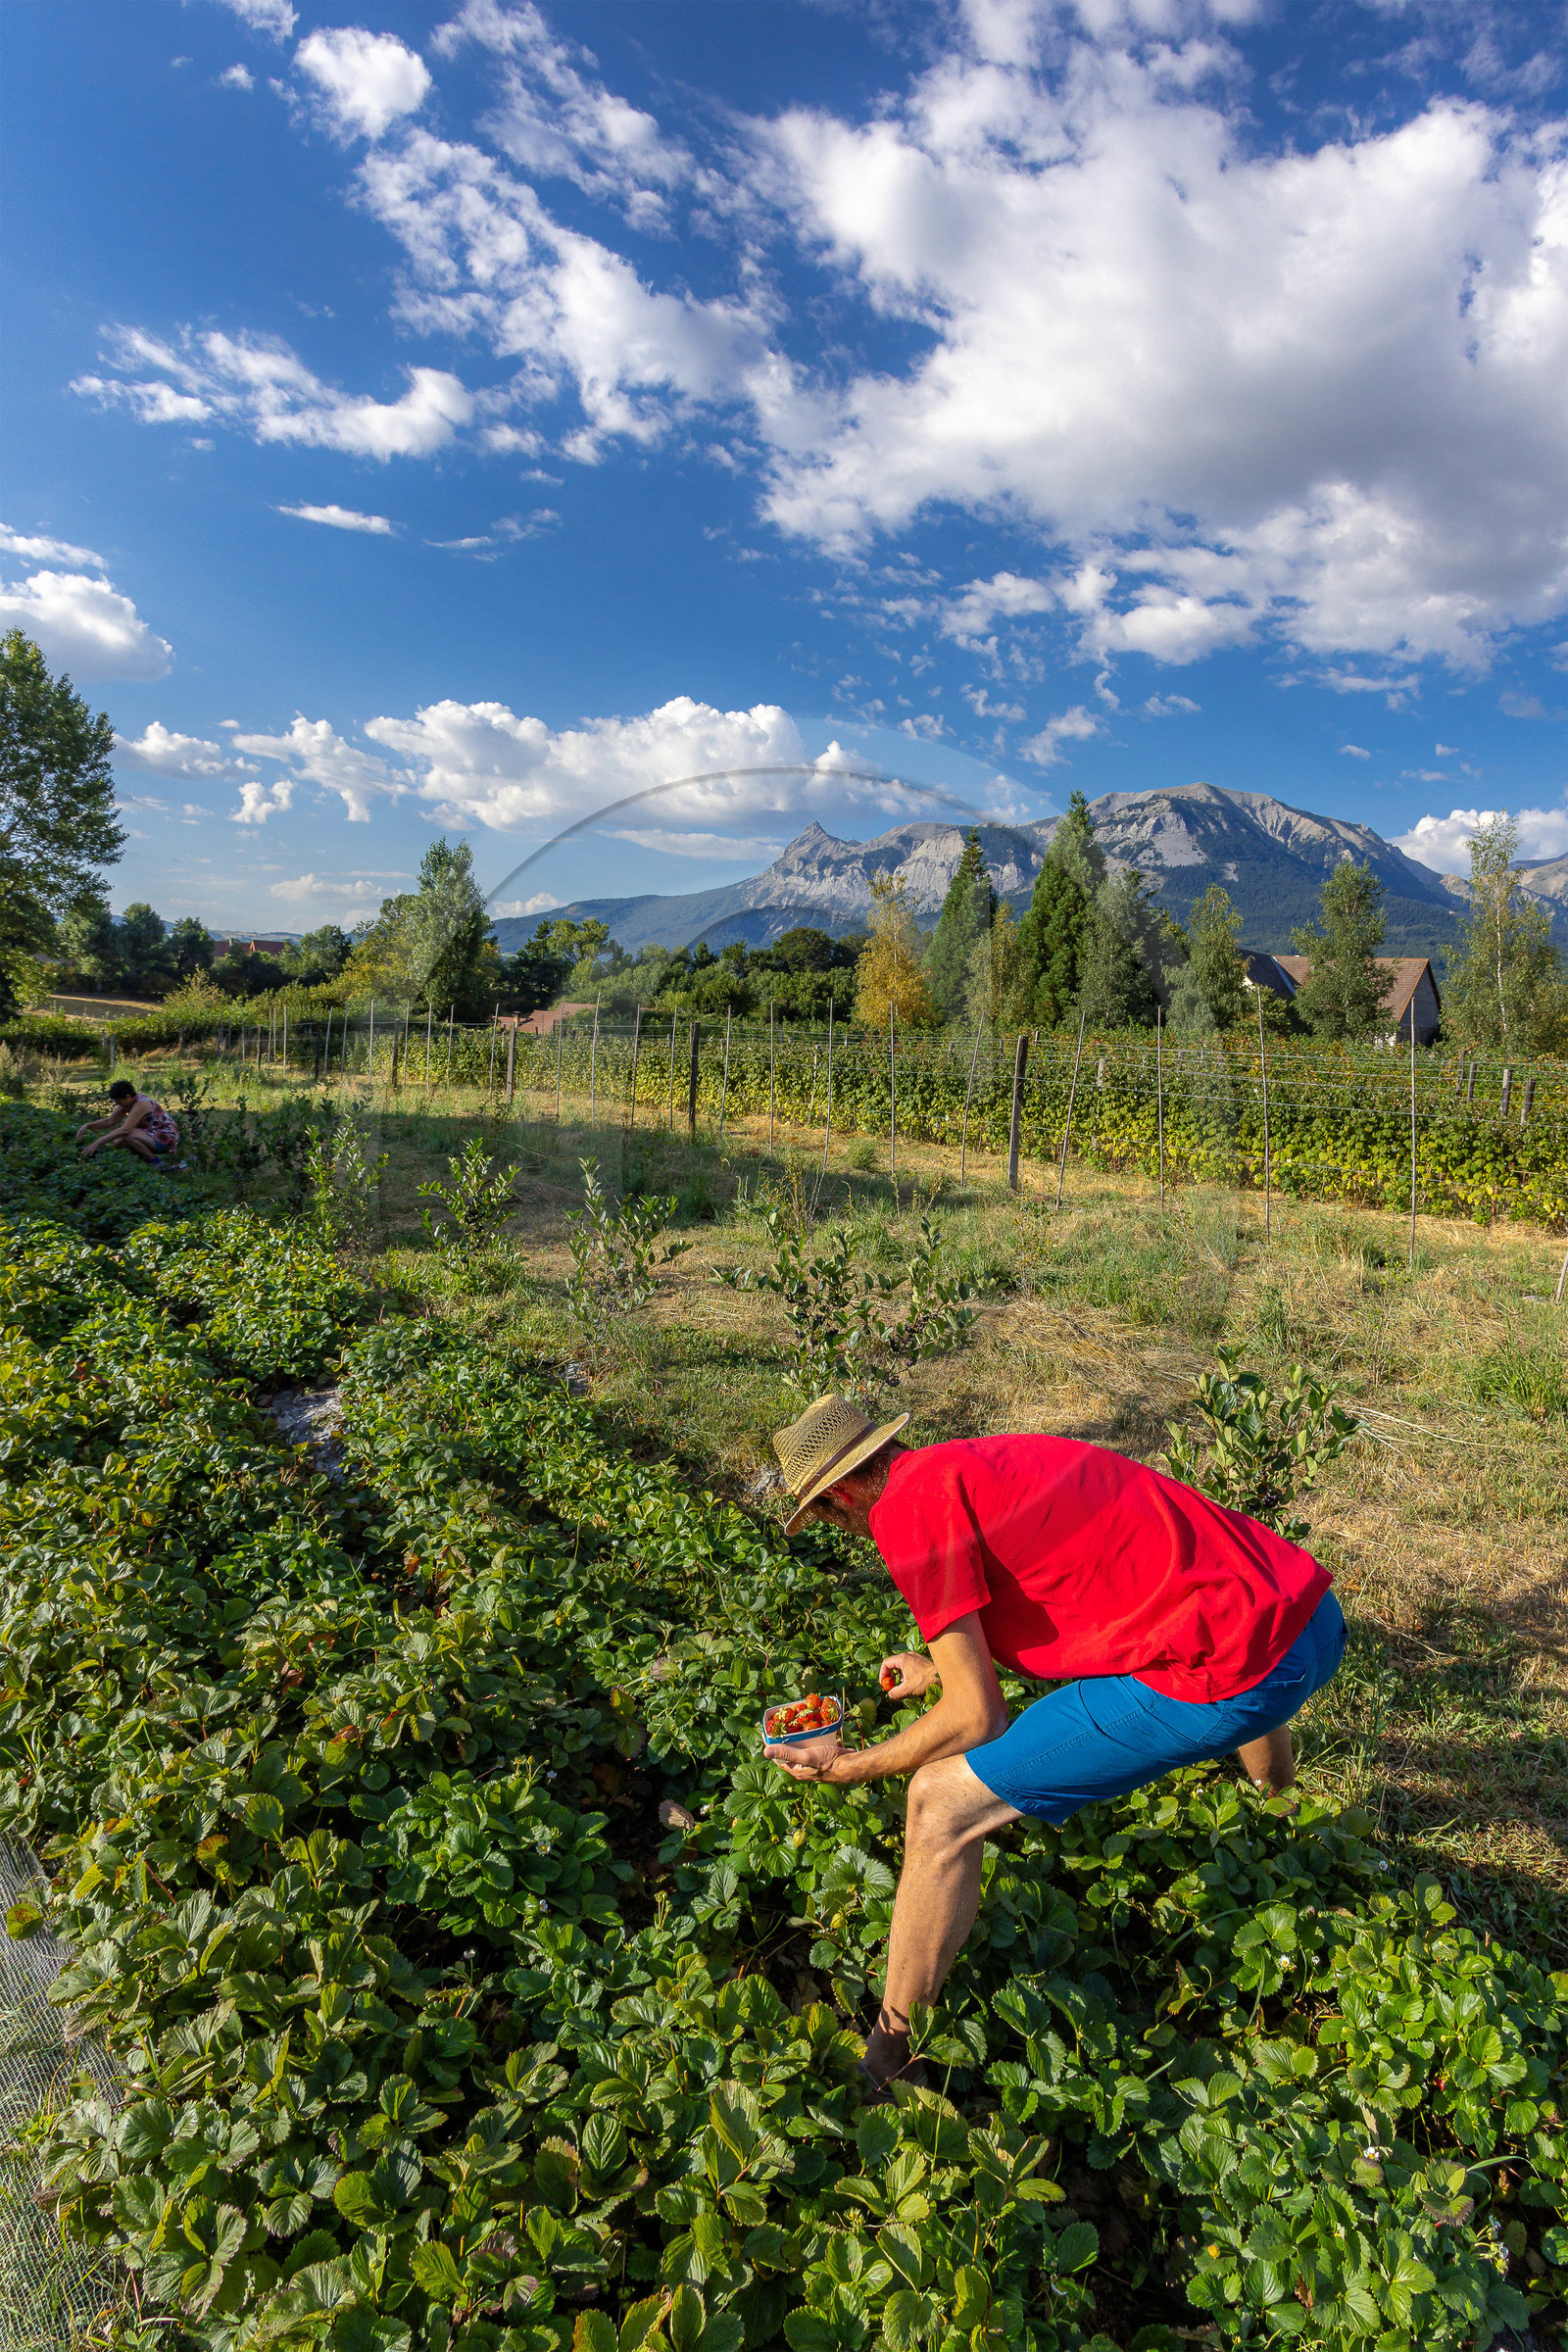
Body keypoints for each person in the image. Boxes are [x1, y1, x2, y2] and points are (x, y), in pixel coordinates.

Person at [765, 1394, 1345, 2089]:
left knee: (939, 1802)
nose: (840, 1528)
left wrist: (851, 1767)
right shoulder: (975, 1463)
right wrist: (941, 1668)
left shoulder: (905, 1515)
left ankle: (889, 2058)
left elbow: (978, 1718)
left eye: (827, 1515)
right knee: (1223, 1629)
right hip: (1306, 1615)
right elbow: (1071, 1586)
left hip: (1245, 1680)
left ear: (843, 1493)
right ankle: (1279, 1816)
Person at [76, 1078, 180, 1164]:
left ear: (128, 1096)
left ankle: (156, 1162)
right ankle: (142, 1161)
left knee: (128, 1134)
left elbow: (126, 1130)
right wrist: (88, 1125)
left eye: (118, 1101)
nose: (117, 1104)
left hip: (165, 1137)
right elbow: (110, 1120)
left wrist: (97, 1142)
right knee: (118, 1143)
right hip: (150, 1134)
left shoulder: (141, 1104)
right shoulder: (128, 1102)